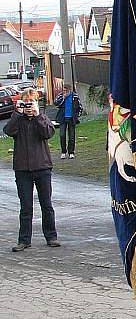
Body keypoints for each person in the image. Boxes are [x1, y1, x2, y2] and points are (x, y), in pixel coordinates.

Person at [5, 88, 60, 252]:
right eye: (25, 103)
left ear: (36, 103)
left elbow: (48, 133)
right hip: (22, 169)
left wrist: (38, 116)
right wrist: (17, 113)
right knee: (26, 206)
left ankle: (51, 236)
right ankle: (24, 240)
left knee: (46, 204)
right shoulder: (18, 119)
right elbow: (8, 131)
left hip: (42, 167)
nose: (28, 106)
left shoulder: (41, 117)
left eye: (31, 102)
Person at [54, 83, 83, 159]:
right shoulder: (60, 95)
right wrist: (63, 98)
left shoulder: (75, 96)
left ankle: (71, 152)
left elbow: (79, 107)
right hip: (62, 118)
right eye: (63, 90)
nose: (64, 92)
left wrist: (77, 116)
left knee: (72, 136)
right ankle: (63, 152)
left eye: (66, 90)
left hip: (71, 118)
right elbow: (56, 104)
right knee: (62, 135)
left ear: (70, 90)